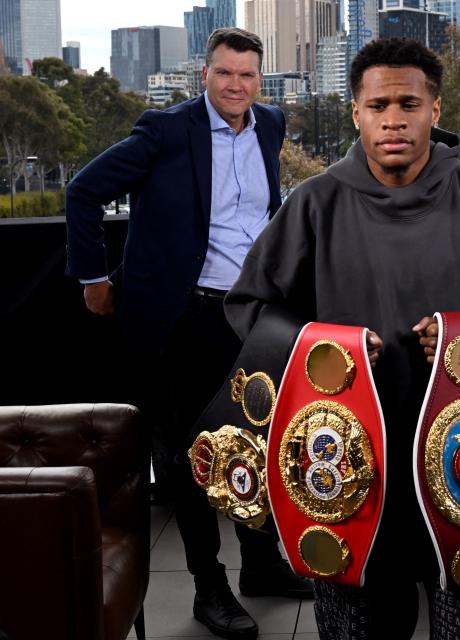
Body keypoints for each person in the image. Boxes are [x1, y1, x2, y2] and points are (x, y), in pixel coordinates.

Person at [224, 38, 460, 640]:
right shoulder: (313, 204)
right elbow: (250, 307)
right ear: (355, 113)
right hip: (344, 470)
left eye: (408, 103)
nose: (393, 119)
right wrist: (330, 349)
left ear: (436, 110)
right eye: (377, 106)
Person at [66, 27, 310, 640]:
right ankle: (210, 588)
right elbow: (83, 191)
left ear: (261, 79)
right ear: (206, 74)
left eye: (248, 75)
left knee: (263, 442)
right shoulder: (166, 130)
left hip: (255, 313)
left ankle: (260, 567)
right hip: (187, 317)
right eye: (225, 73)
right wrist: (95, 278)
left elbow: (263, 212)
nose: (236, 86)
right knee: (202, 459)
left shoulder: (270, 125)